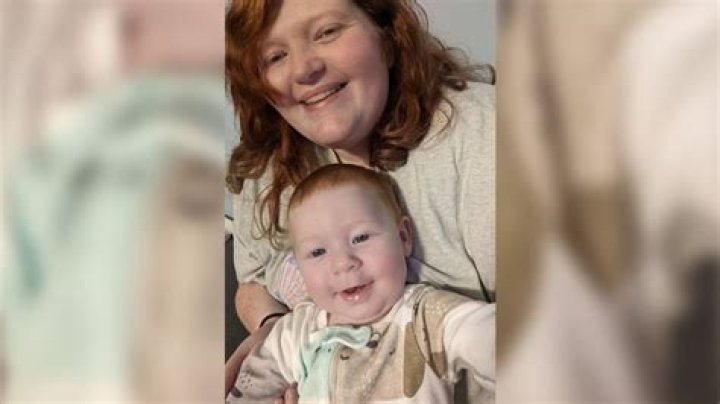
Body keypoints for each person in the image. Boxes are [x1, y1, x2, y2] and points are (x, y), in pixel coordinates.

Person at [225, 0, 495, 401]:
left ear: (387, 35)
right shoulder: (267, 163)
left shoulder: (485, 140)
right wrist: (278, 337)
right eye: (275, 56)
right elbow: (254, 280)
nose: (303, 69)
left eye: (327, 32)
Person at [227, 164, 495, 403]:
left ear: (403, 237)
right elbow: (252, 385)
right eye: (318, 252)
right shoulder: (296, 331)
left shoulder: (425, 316)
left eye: (360, 238)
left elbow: (481, 335)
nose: (343, 263)